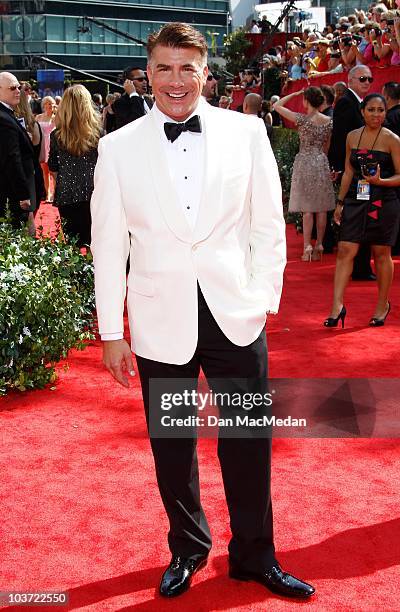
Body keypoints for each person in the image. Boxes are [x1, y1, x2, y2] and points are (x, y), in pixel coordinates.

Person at [91, 22, 315, 601]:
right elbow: (110, 244)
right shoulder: (118, 147)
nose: (175, 79)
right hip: (160, 319)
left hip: (233, 313)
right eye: (163, 67)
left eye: (186, 66)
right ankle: (188, 549)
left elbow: (269, 222)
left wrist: (264, 297)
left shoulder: (247, 133)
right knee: (173, 444)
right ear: (148, 71)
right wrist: (111, 331)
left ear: (205, 70)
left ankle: (255, 556)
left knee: (247, 442)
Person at [324, 93, 400, 328]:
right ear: (362, 111)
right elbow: (348, 171)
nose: (376, 115)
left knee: (380, 253)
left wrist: (381, 181)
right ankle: (337, 305)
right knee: (346, 249)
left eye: (381, 110)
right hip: (356, 198)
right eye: (372, 110)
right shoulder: (352, 136)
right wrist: (339, 202)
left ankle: (382, 305)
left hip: (384, 201)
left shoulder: (392, 139)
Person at [273, 87, 335, 261]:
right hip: (321, 161)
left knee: (307, 209)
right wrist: (321, 160)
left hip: (305, 162)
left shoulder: (301, 119)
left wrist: (294, 94)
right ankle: (319, 244)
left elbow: (277, 105)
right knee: (321, 208)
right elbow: (327, 146)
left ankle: (307, 246)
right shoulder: (328, 121)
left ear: (306, 101)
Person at [329, 65, 376, 280]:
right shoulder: (347, 102)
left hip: (361, 173)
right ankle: (358, 266)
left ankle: (360, 266)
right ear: (351, 80)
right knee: (356, 216)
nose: (367, 82)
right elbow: (340, 138)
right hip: (353, 173)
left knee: (362, 215)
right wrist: (338, 167)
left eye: (370, 79)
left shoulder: (358, 103)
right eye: (363, 78)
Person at [48, 85, 102, 247]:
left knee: (73, 246)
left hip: (67, 196)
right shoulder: (99, 133)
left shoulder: (56, 135)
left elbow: (53, 167)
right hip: (94, 194)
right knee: (96, 243)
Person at [0, 71, 36, 229]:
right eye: (12, 88)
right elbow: (11, 158)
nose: (18, 91)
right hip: (13, 197)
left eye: (19, 87)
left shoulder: (7, 114)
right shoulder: (3, 118)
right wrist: (23, 194)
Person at [14, 88, 46, 234]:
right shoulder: (36, 125)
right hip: (35, 179)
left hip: (20, 179)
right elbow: (41, 158)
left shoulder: (10, 126)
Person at [36, 95, 56, 201]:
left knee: (53, 171)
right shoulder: (38, 117)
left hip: (52, 145)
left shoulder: (55, 118)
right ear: (44, 105)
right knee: (45, 171)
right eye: (48, 103)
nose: (50, 106)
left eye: (52, 104)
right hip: (42, 144)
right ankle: (47, 193)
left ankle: (55, 193)